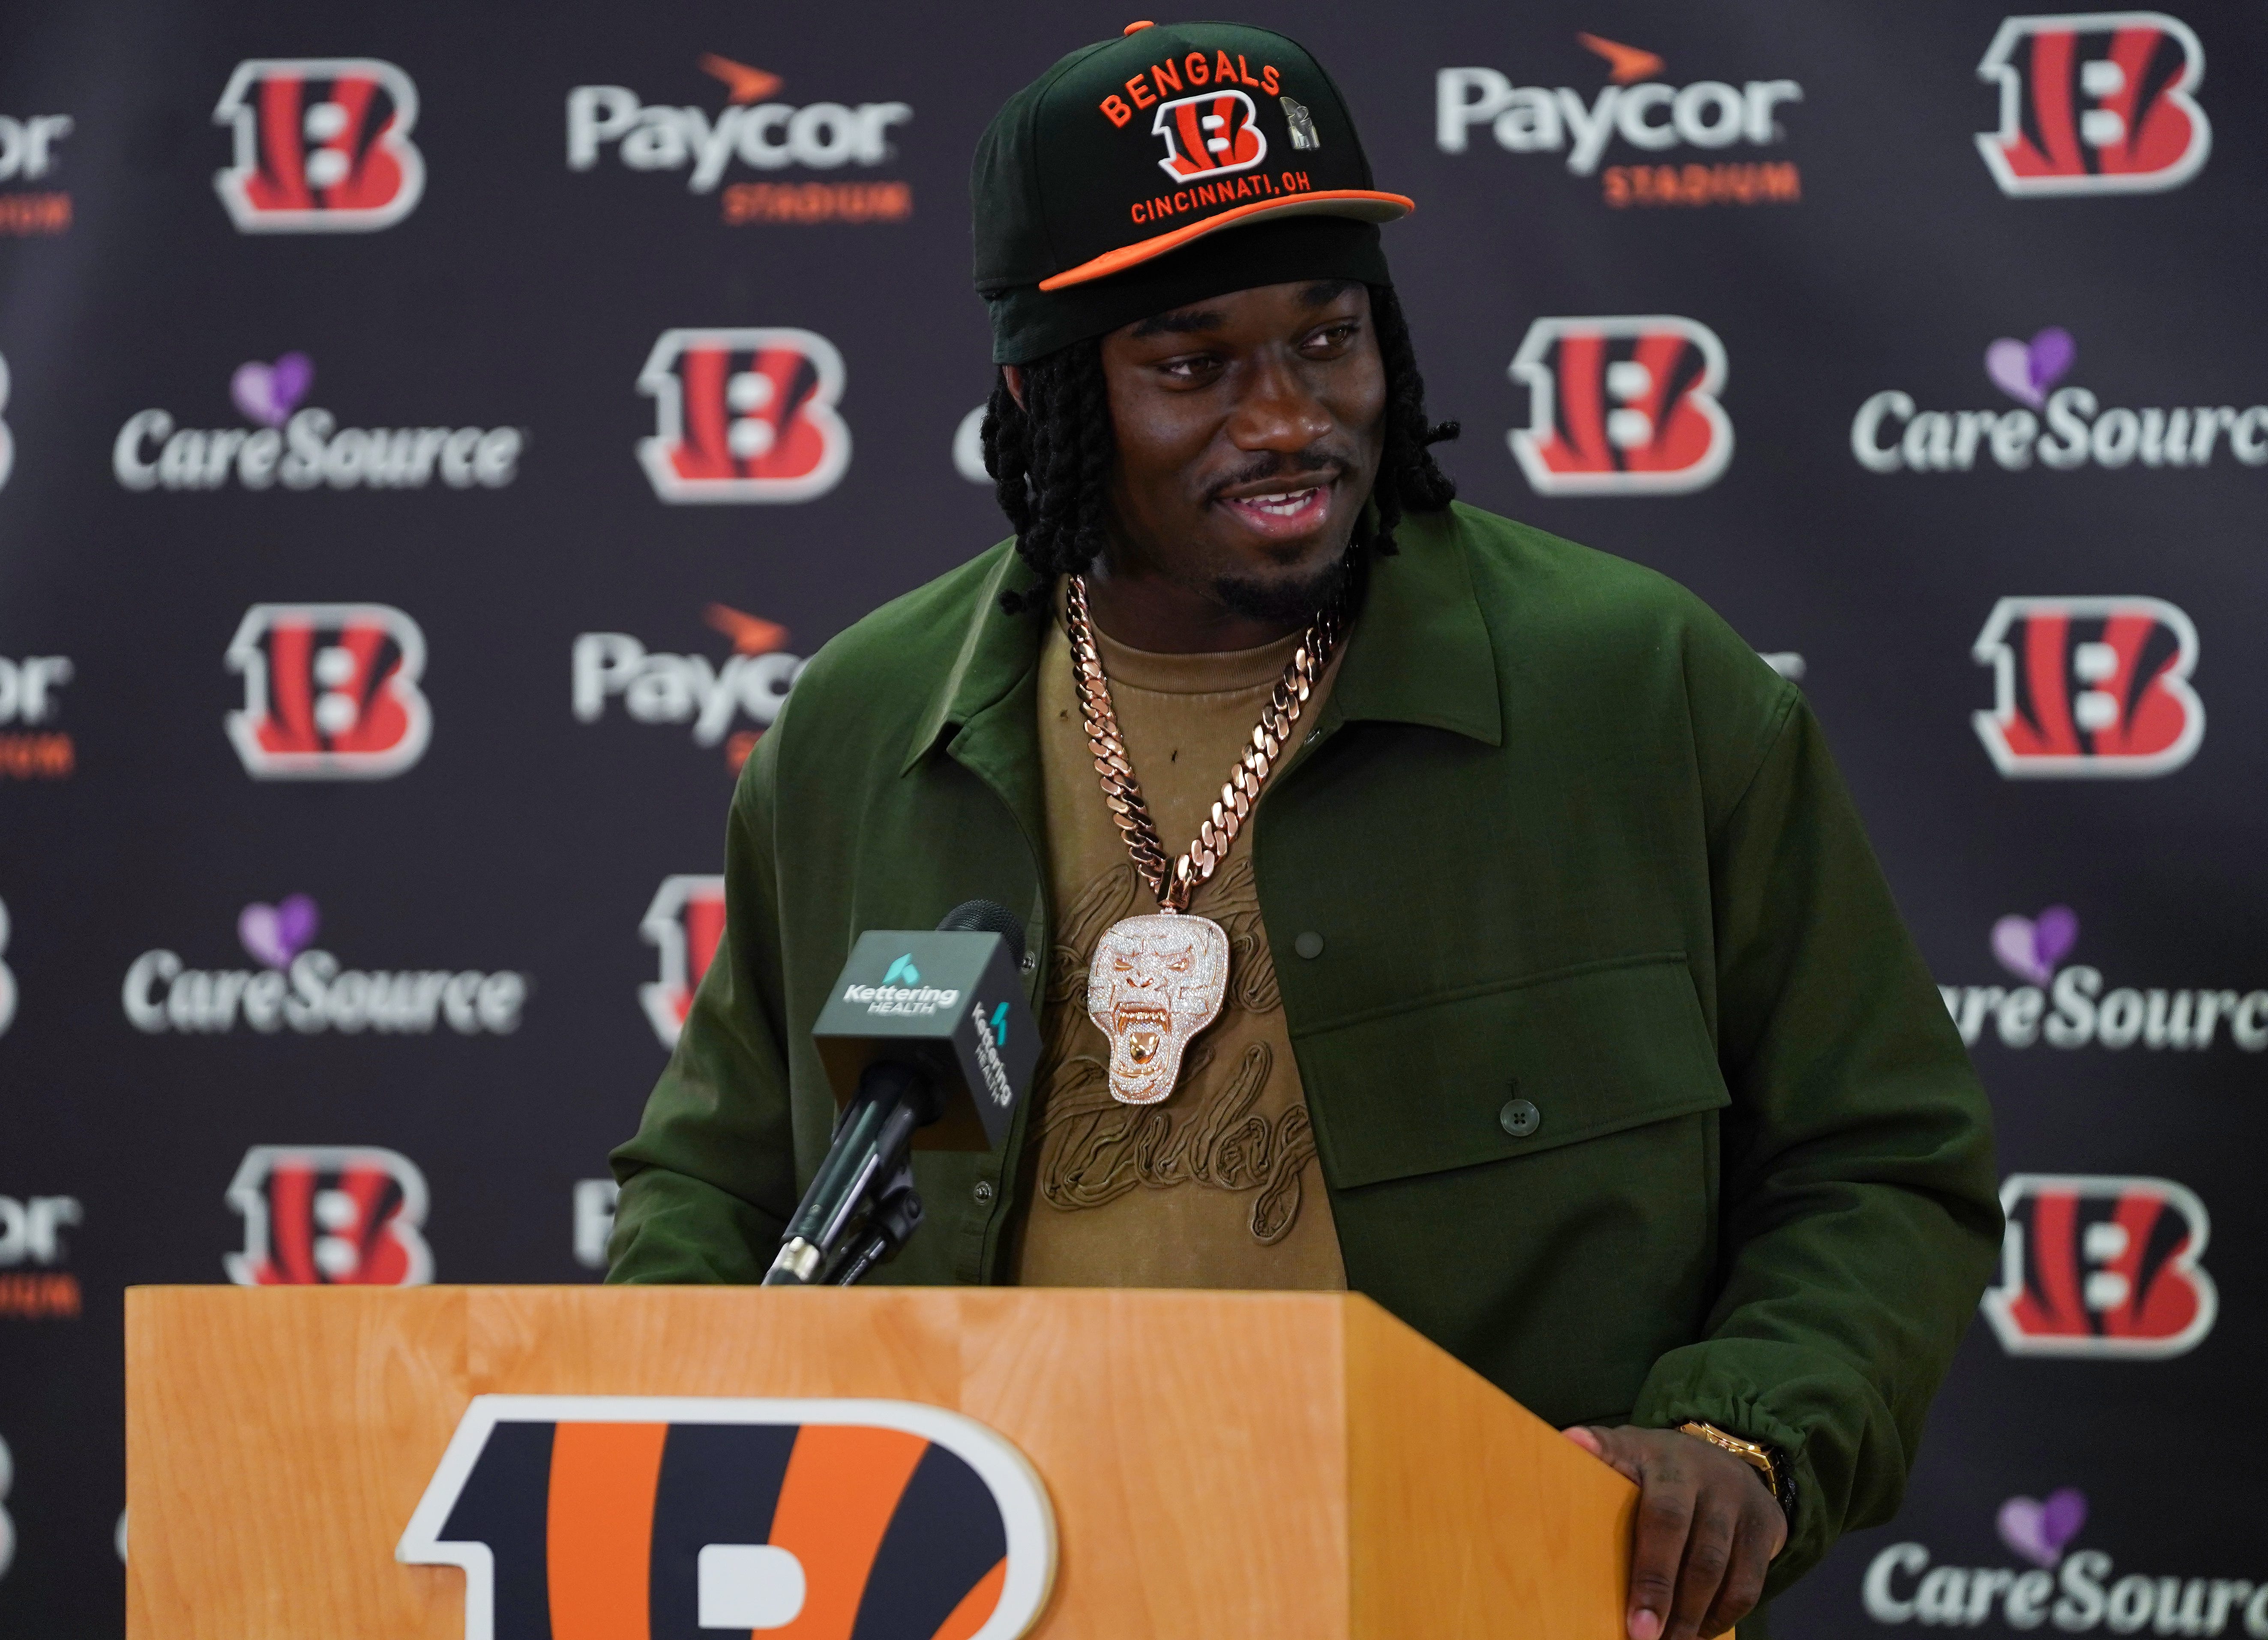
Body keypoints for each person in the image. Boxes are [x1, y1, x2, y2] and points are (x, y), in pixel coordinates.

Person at [608, 21, 1998, 1640]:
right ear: (1043, 394)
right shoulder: (861, 726)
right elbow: (708, 1185)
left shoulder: (1641, 685)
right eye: (1193, 365)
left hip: (1475, 1590)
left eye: (1327, 338)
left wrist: (1737, 1429)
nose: (1286, 418)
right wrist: (683, 1436)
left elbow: (1880, 1155)